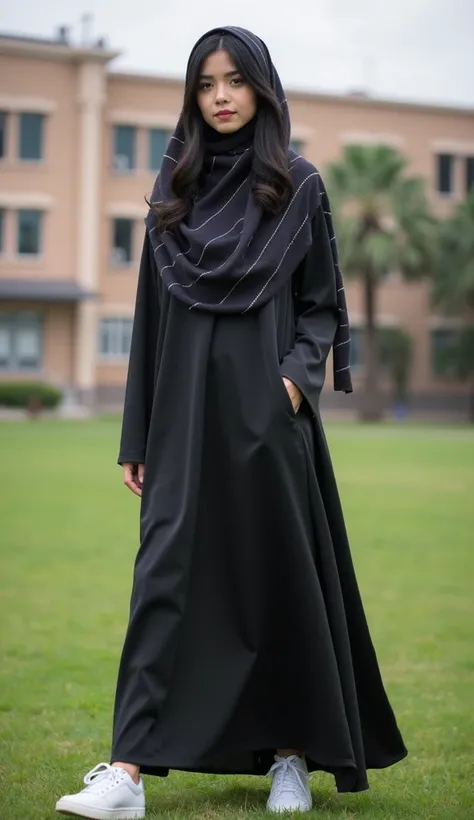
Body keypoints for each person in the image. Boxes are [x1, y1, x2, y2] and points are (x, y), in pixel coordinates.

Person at [56, 25, 407, 820]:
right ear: (194, 94)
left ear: (261, 89)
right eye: (207, 82)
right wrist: (135, 435)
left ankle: (290, 755)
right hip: (179, 423)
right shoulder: (172, 192)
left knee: (275, 580)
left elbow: (320, 306)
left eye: (236, 81)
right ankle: (127, 774)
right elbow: (147, 324)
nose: (221, 96)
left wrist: (289, 382)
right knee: (162, 582)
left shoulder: (298, 187)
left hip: (266, 424)